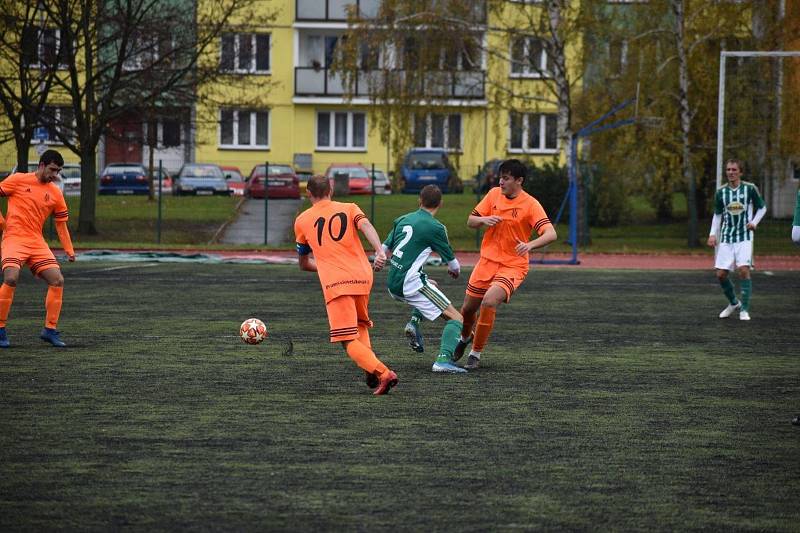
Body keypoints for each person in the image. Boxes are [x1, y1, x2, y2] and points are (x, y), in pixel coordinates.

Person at [294, 175, 398, 395]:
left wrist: (323, 266)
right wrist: (380, 251)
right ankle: (370, 369)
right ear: (331, 190)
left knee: (345, 338)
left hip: (337, 282)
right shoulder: (350, 207)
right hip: (362, 276)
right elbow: (366, 225)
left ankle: (383, 372)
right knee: (360, 325)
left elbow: (303, 263)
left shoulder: (302, 220)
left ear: (308, 194)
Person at [452, 159, 557, 369]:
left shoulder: (530, 204)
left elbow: (551, 233)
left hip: (513, 265)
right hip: (487, 262)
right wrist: (484, 220)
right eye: (500, 177)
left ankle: (476, 354)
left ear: (519, 181)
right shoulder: (493, 195)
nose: (501, 182)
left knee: (489, 302)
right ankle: (465, 339)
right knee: (467, 309)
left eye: (506, 178)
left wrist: (530, 245)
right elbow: (470, 221)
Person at [382, 184, 465, 374]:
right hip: (409, 284)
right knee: (457, 318)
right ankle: (443, 361)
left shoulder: (402, 219)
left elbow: (384, 248)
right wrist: (454, 271)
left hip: (393, 281)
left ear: (419, 200)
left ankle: (414, 322)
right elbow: (453, 264)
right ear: (440, 204)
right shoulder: (436, 227)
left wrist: (380, 260)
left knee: (431, 285)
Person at [0, 149, 76, 348]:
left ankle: (49, 330)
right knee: (11, 278)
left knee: (57, 280)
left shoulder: (55, 193)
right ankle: (0, 329)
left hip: (36, 242)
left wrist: (69, 249)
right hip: (14, 238)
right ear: (41, 165)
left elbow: (61, 224)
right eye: (52, 169)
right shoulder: (17, 180)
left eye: (58, 171)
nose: (54, 175)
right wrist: (2, 223)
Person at [706, 159, 766, 321]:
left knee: (743, 270)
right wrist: (713, 234)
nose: (730, 172)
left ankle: (744, 310)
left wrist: (754, 222)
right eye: (728, 170)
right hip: (726, 237)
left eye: (734, 169)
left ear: (740, 172)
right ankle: (734, 303)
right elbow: (717, 215)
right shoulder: (721, 192)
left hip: (744, 237)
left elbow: (762, 207)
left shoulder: (750, 189)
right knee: (720, 274)